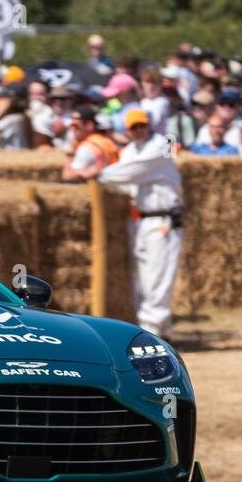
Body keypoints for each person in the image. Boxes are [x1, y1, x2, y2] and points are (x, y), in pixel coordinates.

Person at [86, 108, 183, 339]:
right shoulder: (129, 151)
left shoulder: (163, 144)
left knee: (157, 277)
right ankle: (161, 331)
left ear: (148, 125)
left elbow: (130, 172)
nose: (139, 130)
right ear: (127, 130)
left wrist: (96, 173)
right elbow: (122, 182)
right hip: (140, 219)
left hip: (163, 218)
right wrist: (102, 176)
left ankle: (153, 332)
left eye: (142, 125)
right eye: (133, 127)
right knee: (142, 280)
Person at [61, 107, 120, 180]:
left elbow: (67, 176)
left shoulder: (87, 148)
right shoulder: (105, 141)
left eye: (76, 126)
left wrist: (71, 154)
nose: (72, 130)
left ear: (89, 125)